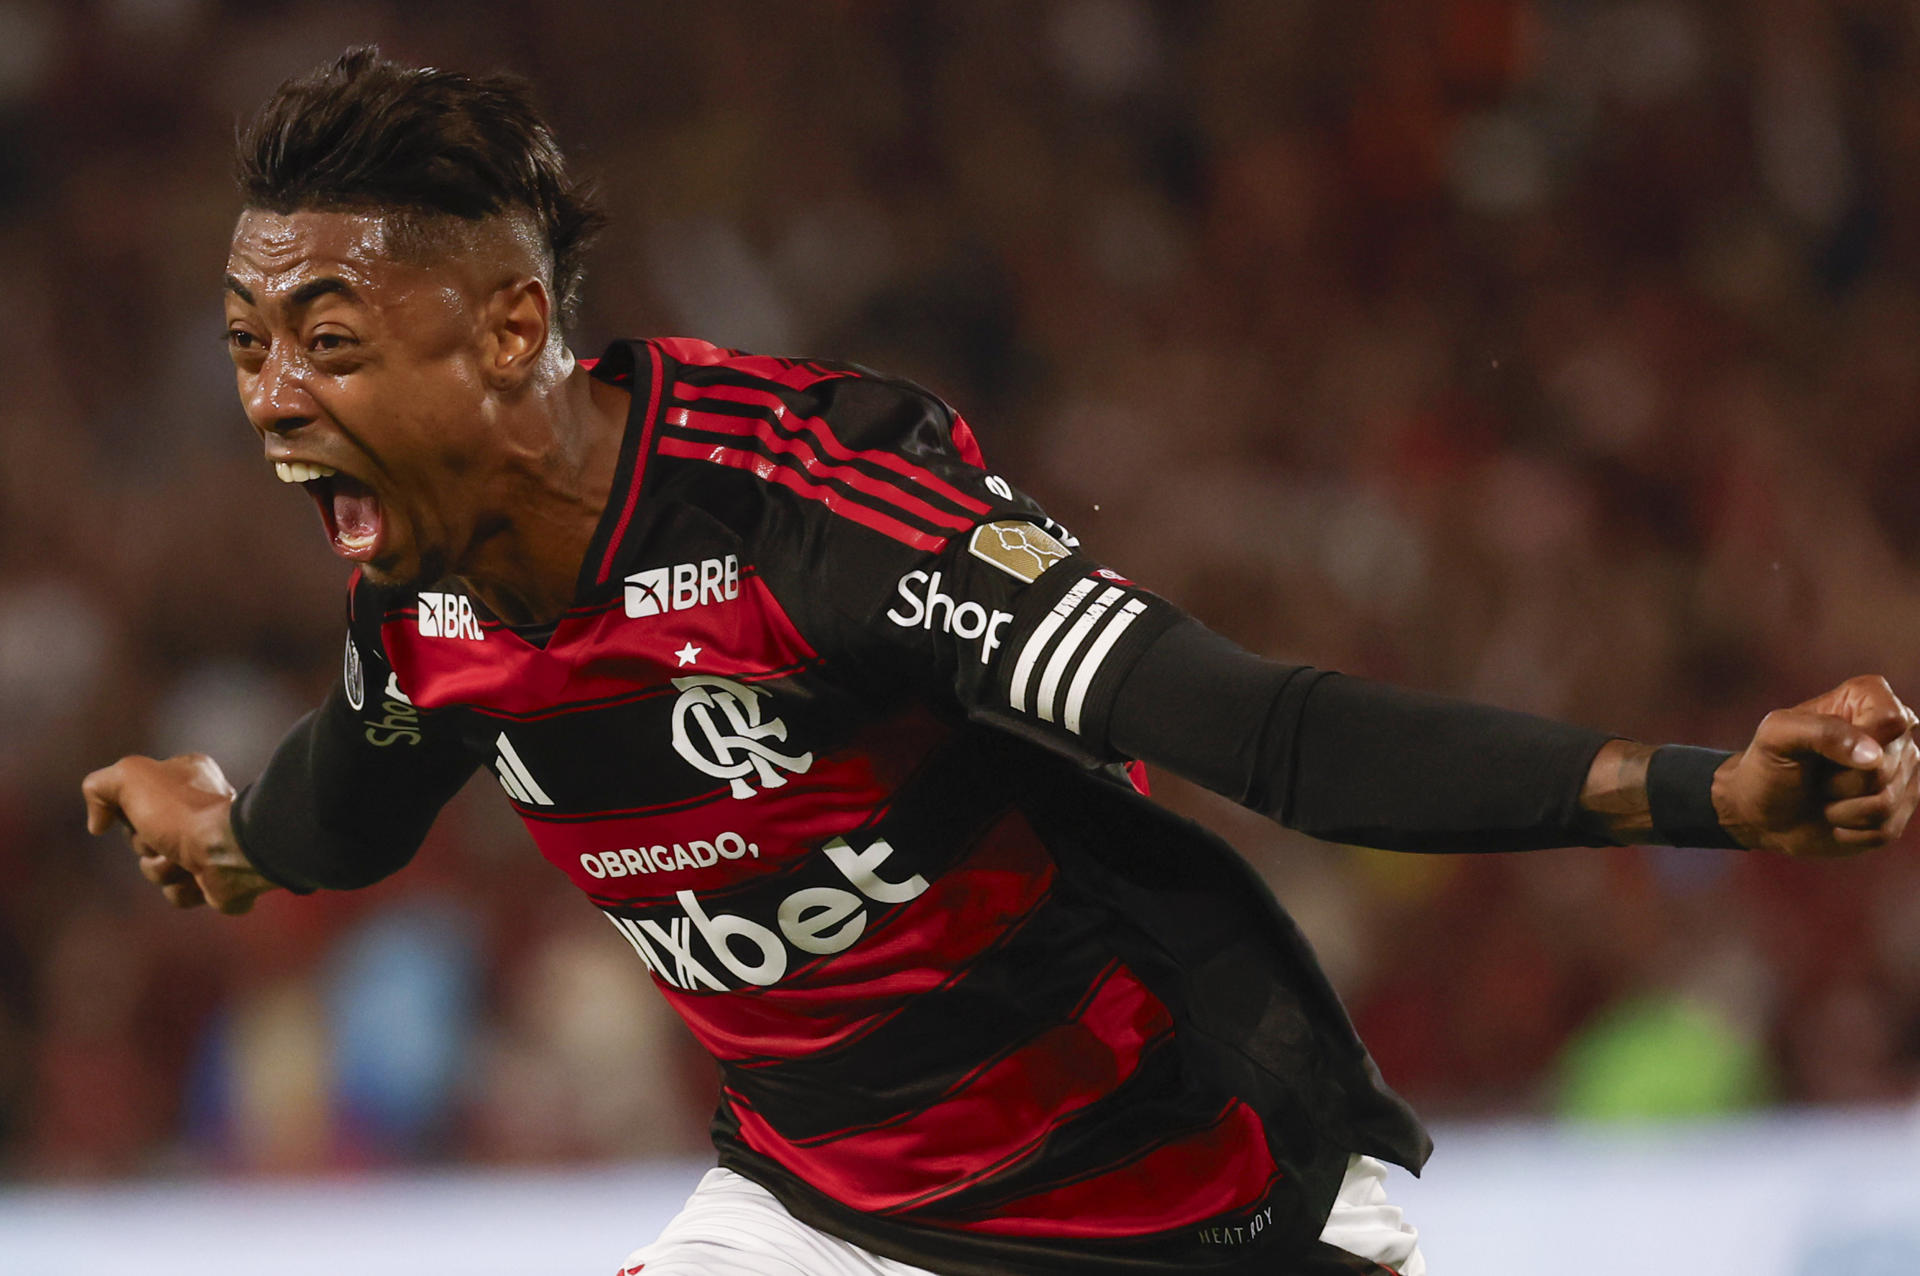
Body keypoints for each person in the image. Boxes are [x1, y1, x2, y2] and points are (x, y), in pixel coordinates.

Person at [81, 49, 1917, 1276]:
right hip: (831, 1217)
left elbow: (1254, 728)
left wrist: (1701, 794)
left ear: (507, 332)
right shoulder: (427, 595)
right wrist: (224, 830)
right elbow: (350, 796)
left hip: (1179, 1202)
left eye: (324, 337)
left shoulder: (818, 518)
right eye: (247, 342)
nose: (270, 400)